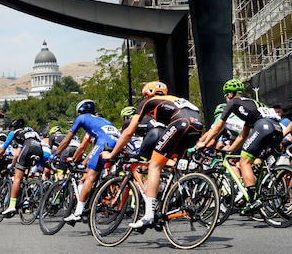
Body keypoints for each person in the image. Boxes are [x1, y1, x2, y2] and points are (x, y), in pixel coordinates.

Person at [105, 81, 203, 229]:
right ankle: (179, 200)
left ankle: (149, 215)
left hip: (181, 122)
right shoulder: (171, 100)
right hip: (197, 126)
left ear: (147, 94)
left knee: (154, 166)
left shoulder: (147, 102)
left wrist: (112, 153)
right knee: (170, 163)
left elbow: (129, 132)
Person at [197, 78, 281, 216]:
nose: (226, 98)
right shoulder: (254, 104)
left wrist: (203, 143)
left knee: (244, 162)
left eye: (226, 95)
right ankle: (263, 188)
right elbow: (244, 134)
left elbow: (218, 126)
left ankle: (253, 200)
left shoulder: (233, 102)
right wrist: (230, 150)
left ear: (229, 94)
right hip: (277, 129)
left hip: (264, 126)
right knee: (256, 161)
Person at [54, 100, 120, 223]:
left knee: (89, 176)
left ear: (80, 111)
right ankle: (95, 199)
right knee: (96, 173)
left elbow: (67, 140)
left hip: (104, 143)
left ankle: (78, 212)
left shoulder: (82, 118)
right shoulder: (104, 120)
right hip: (118, 144)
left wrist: (56, 154)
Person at [0, 118, 45, 217]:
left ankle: (12, 206)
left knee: (17, 177)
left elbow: (3, 150)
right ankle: (28, 193)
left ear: (14, 127)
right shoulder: (30, 131)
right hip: (39, 150)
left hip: (28, 147)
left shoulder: (14, 133)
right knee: (25, 173)